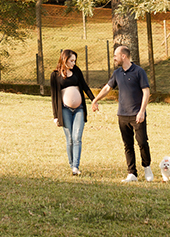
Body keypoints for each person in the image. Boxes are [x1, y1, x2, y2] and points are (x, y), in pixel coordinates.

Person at [92, 44, 154, 183]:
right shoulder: (117, 74)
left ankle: (147, 167)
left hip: (137, 114)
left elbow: (146, 92)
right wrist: (95, 100)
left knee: (142, 142)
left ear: (123, 56)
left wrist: (142, 111)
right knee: (128, 145)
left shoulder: (139, 72)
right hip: (122, 115)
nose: (114, 58)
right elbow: (108, 88)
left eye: (116, 56)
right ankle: (132, 173)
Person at [50, 49, 95, 176]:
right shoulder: (55, 75)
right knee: (69, 138)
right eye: (71, 60)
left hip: (79, 108)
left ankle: (76, 166)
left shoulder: (77, 71)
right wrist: (55, 116)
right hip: (64, 109)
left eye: (75, 61)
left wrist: (94, 100)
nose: (73, 63)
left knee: (77, 137)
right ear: (64, 59)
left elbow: (85, 86)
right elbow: (54, 97)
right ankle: (71, 164)